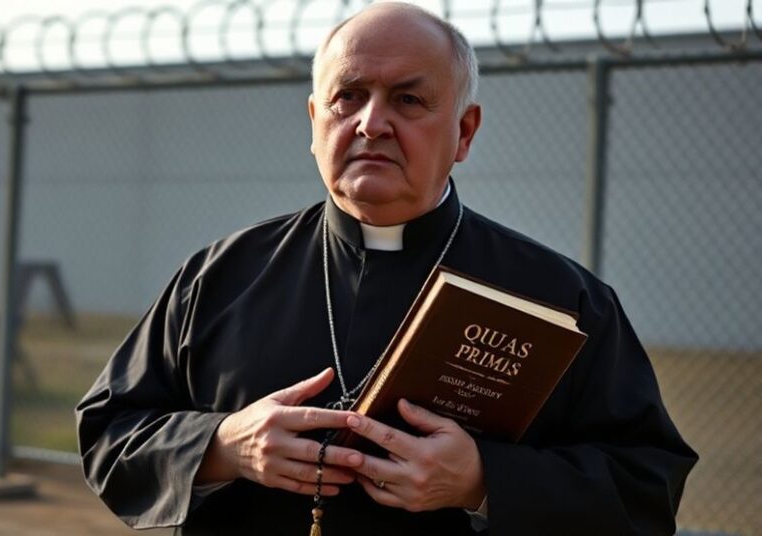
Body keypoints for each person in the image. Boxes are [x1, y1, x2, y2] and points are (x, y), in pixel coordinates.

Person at [75, 3, 697, 535]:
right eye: (349, 96)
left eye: (408, 99)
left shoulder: (561, 298)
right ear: (316, 123)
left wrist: (484, 480)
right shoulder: (218, 277)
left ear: (464, 132)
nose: (373, 123)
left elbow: (646, 487)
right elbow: (109, 433)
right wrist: (221, 447)